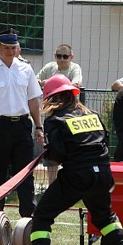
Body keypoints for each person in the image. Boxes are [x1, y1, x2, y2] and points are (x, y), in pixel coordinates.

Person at [15, 75, 123, 245]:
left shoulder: (55, 120)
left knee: (42, 217)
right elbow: (105, 141)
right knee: (105, 218)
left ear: (52, 99)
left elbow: (57, 155)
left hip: (77, 175)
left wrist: (48, 149)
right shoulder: (93, 115)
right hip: (102, 173)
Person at [0, 28, 45, 217]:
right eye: (6, 48)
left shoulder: (26, 68)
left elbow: (33, 100)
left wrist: (38, 126)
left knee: (25, 174)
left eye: (13, 48)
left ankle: (28, 217)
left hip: (21, 126)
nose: (10, 52)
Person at [36, 44, 83, 184]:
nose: (62, 59)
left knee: (73, 150)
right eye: (59, 56)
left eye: (65, 56)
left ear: (71, 57)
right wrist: (42, 83)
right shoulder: (49, 67)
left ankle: (72, 185)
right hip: (52, 115)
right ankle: (52, 186)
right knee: (52, 151)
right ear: (55, 56)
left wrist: (49, 84)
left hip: (70, 115)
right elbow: (35, 80)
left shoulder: (75, 68)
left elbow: (76, 84)